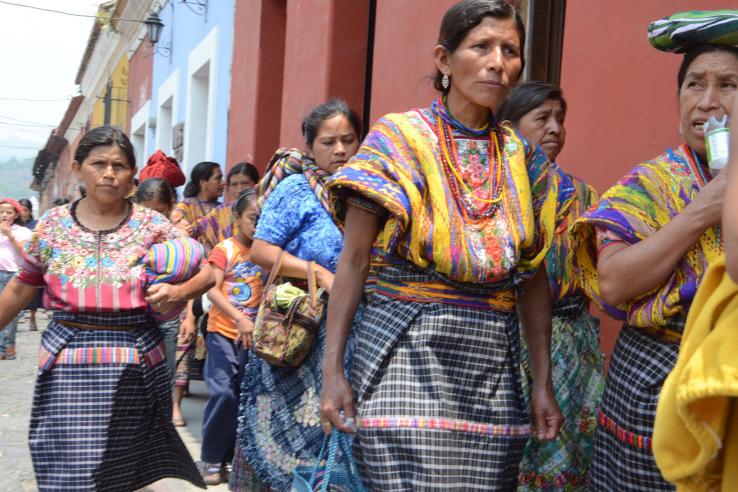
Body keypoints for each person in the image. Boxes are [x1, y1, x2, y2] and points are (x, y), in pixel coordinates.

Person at [320, 1, 572, 489]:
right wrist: (333, 371)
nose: (498, 61)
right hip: (404, 345)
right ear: (443, 60)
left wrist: (542, 382)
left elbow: (533, 277)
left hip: (491, 361)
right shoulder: (397, 140)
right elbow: (352, 260)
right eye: (481, 47)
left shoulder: (525, 161)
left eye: (510, 50)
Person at [0, 126, 214, 490]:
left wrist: (180, 291)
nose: (109, 173)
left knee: (118, 470)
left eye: (119, 165)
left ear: (133, 174)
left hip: (133, 363)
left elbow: (208, 270)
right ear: (78, 167)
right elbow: (23, 285)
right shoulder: (53, 225)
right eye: (99, 163)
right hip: (66, 363)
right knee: (67, 466)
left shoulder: (152, 224)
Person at [569, 29, 738, 489]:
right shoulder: (649, 185)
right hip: (653, 384)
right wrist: (706, 205)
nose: (708, 101)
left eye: (729, 85)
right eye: (694, 85)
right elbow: (614, 284)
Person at [233, 99, 363, 491]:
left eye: (348, 139)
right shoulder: (296, 189)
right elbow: (260, 251)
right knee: (284, 428)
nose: (340, 150)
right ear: (309, 147)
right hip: (300, 329)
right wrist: (319, 273)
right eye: (328, 142)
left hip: (356, 328)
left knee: (344, 429)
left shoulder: (368, 189)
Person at [497, 81, 605, 490]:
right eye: (542, 119)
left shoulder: (584, 196)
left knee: (571, 450)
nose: (555, 128)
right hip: (511, 340)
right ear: (509, 129)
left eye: (560, 118)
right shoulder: (496, 195)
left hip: (574, 346)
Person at [200, 189, 263, 485]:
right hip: (223, 334)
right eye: (252, 218)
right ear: (237, 218)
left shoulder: (267, 251)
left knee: (244, 400)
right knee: (224, 394)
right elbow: (211, 288)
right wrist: (238, 318)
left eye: (263, 219)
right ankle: (212, 458)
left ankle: (232, 459)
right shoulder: (225, 249)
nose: (257, 224)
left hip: (253, 340)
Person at [136, 177, 193, 385]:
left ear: (170, 208)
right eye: (147, 212)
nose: (154, 219)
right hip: (133, 318)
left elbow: (193, 276)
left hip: (167, 318)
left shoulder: (179, 238)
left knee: (163, 381)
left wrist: (189, 317)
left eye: (160, 212)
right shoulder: (129, 234)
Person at [195, 162, 260, 251]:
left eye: (245, 183)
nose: (239, 189)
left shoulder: (264, 211)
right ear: (228, 188)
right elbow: (203, 235)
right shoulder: (218, 213)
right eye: (234, 184)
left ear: (256, 185)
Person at [0, 198, 32, 360]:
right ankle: (0, 349)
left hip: (15, 275)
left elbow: (26, 254)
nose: (4, 215)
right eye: (1, 211)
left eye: (8, 212)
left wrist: (9, 235)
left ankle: (9, 345)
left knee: (11, 313)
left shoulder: (22, 232)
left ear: (16, 214)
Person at [171, 161, 224, 235]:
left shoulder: (223, 209)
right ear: (203, 182)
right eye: (218, 178)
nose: (223, 183)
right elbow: (181, 234)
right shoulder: (184, 207)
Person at [18, 198, 41, 331]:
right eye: (21, 210)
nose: (23, 213)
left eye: (26, 210)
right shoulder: (14, 225)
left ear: (30, 211)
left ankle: (32, 316)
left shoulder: (35, 225)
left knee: (32, 292)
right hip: (17, 261)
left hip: (31, 262)